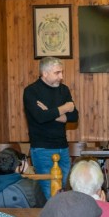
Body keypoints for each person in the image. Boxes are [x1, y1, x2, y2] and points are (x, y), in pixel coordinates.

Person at [23, 56, 78, 199]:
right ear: (45, 73)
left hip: (63, 147)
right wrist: (65, 107)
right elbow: (40, 117)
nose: (61, 76)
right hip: (42, 148)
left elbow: (74, 117)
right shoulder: (31, 91)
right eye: (57, 73)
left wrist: (50, 112)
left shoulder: (64, 90)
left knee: (62, 188)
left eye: (62, 72)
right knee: (49, 190)